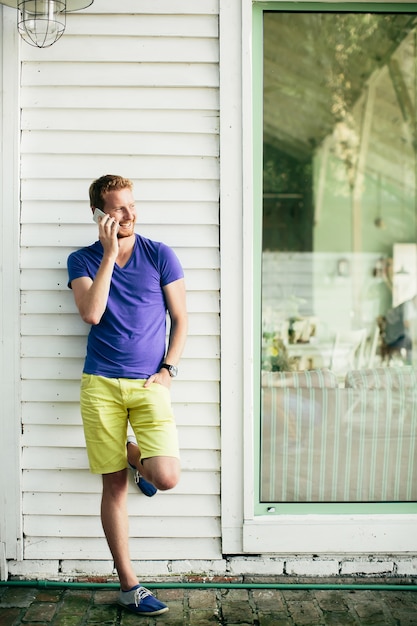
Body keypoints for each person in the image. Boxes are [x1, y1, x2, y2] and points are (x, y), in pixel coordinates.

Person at [67, 175, 187, 616]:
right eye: (118, 208)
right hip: (99, 385)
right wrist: (109, 255)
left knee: (167, 476)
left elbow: (181, 318)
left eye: (132, 205)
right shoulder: (80, 259)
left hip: (149, 384)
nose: (129, 214)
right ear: (100, 215)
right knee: (113, 484)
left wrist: (168, 370)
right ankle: (129, 584)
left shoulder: (160, 254)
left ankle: (137, 457)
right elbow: (92, 312)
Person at [382, 294, 417, 364]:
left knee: (412, 341)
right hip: (392, 338)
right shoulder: (408, 305)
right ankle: (409, 366)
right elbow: (407, 323)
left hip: (398, 336)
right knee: (411, 343)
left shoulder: (413, 307)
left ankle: (410, 364)